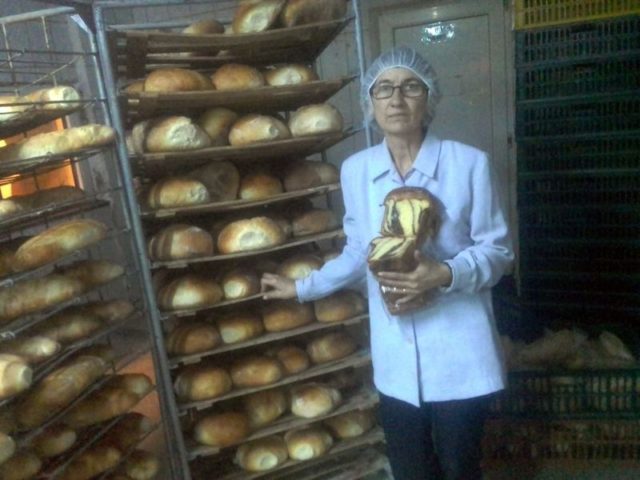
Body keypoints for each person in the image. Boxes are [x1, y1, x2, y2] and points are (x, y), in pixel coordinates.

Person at [261, 46, 513, 480]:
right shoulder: (356, 170)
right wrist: (302, 287)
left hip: (458, 347)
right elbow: (359, 251)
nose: (396, 99)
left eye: (411, 87)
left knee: (459, 464)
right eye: (384, 89)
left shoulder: (469, 163)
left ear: (429, 98)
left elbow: (498, 251)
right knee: (410, 467)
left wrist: (444, 273)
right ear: (370, 102)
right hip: (395, 352)